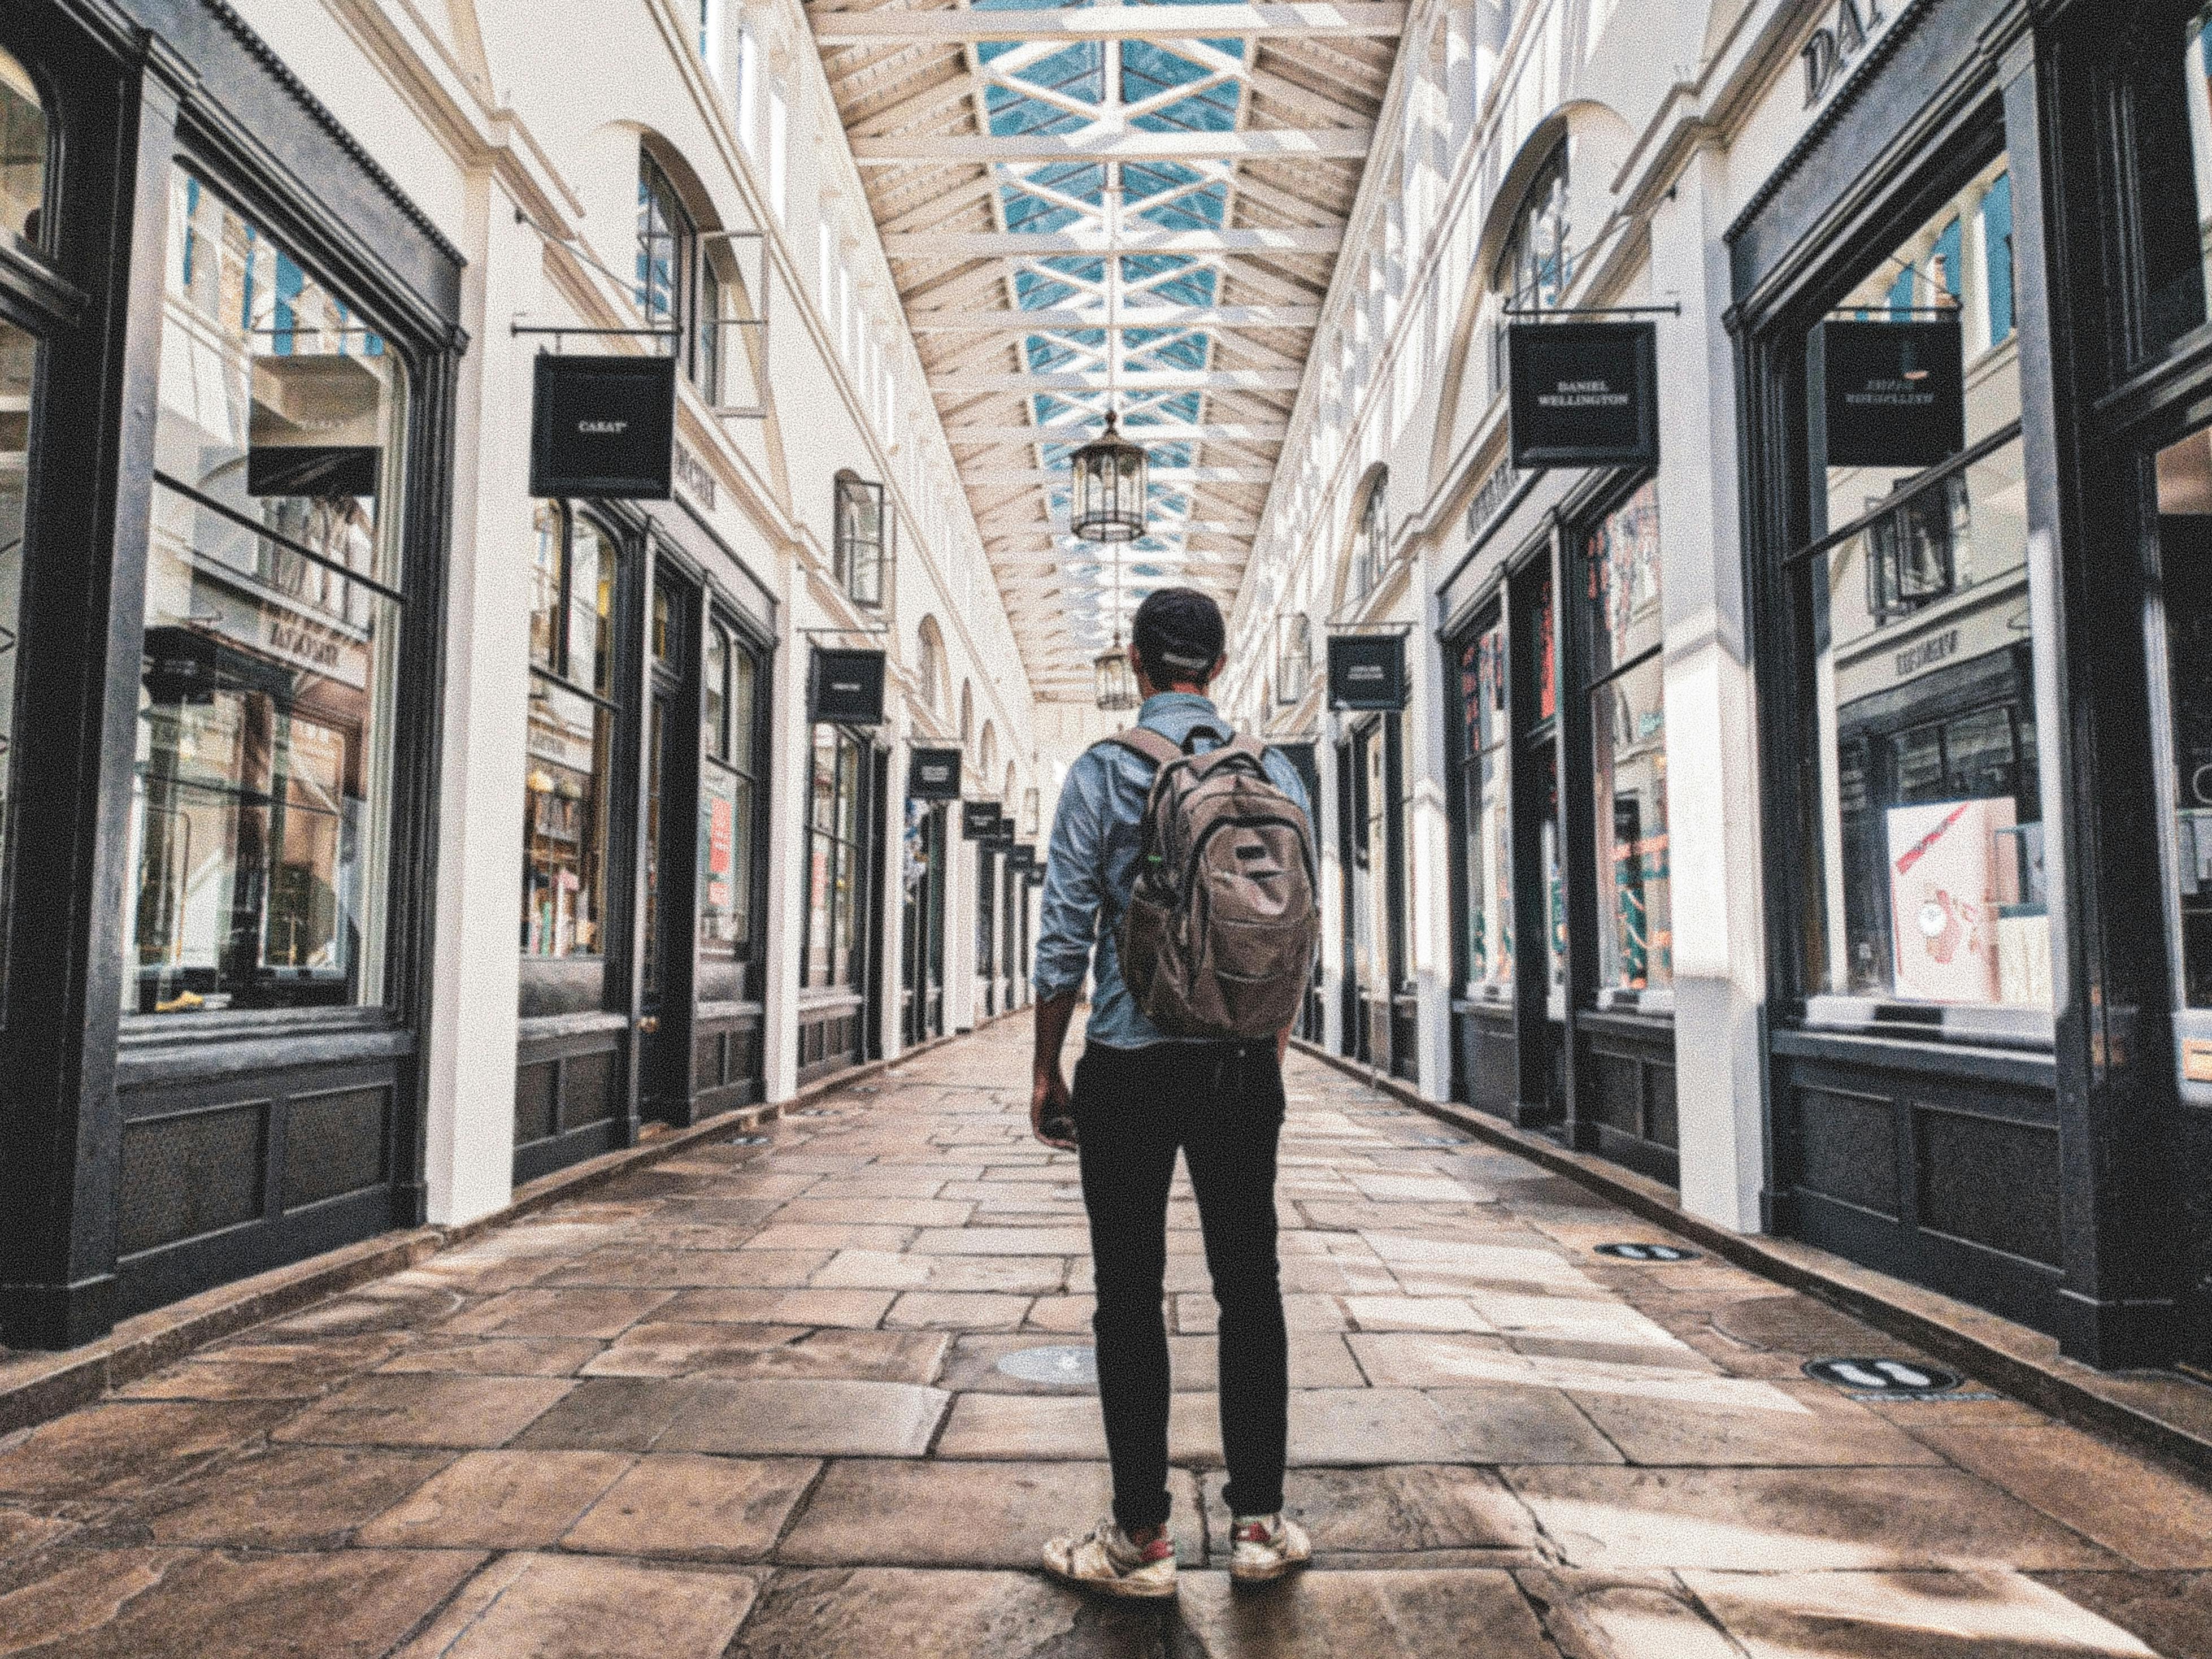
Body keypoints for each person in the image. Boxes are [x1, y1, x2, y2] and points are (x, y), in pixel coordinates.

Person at [1030, 587, 1314, 1597]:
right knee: (1251, 1287)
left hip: (1130, 1066)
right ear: (1221, 668)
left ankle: (1140, 1538)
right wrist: (1266, 1053)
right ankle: (1259, 1526)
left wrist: (1045, 1066)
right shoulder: (1276, 771)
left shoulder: (1104, 770)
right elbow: (1291, 940)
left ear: (1141, 667)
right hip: (1239, 1066)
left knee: (1127, 1296)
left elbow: (1063, 935)